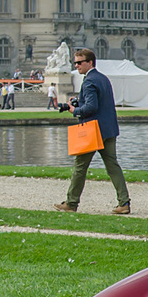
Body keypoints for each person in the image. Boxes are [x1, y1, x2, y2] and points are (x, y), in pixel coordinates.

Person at [55, 47, 131, 215]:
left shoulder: (89, 81)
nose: (76, 66)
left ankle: (71, 202)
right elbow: (100, 103)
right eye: (75, 63)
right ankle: (124, 202)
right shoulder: (102, 78)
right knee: (113, 166)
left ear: (90, 62)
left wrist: (73, 110)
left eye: (80, 62)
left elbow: (91, 107)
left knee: (80, 167)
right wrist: (79, 101)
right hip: (108, 129)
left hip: (92, 131)